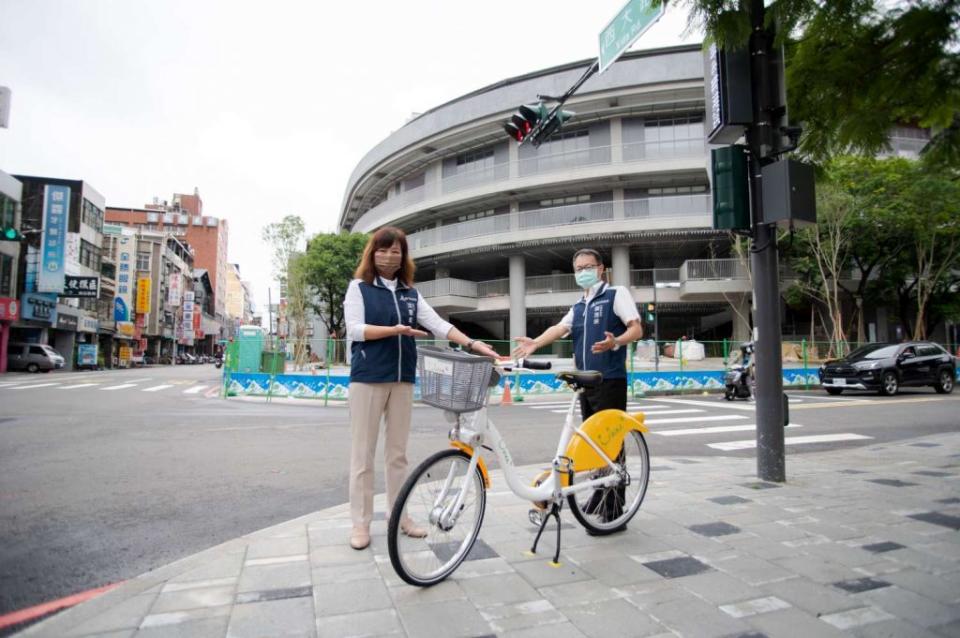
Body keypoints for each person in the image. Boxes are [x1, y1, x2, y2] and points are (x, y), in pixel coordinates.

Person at [344, 226, 498, 550]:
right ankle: (360, 523)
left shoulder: (411, 294)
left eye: (396, 250)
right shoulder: (360, 288)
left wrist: (472, 342)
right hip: (368, 378)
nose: (389, 256)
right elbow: (355, 329)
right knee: (363, 455)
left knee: (397, 455)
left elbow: (438, 324)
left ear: (403, 256)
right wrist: (394, 330)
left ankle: (398, 516)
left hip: (402, 379)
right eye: (383, 250)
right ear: (373, 253)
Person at [513, 248, 643, 529]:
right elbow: (560, 329)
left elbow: (636, 328)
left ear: (600, 269)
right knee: (593, 443)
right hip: (586, 381)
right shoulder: (579, 305)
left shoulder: (615, 294)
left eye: (588, 266)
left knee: (610, 442)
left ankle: (614, 508)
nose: (583, 271)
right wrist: (535, 342)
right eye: (578, 268)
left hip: (609, 378)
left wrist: (616, 341)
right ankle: (599, 494)